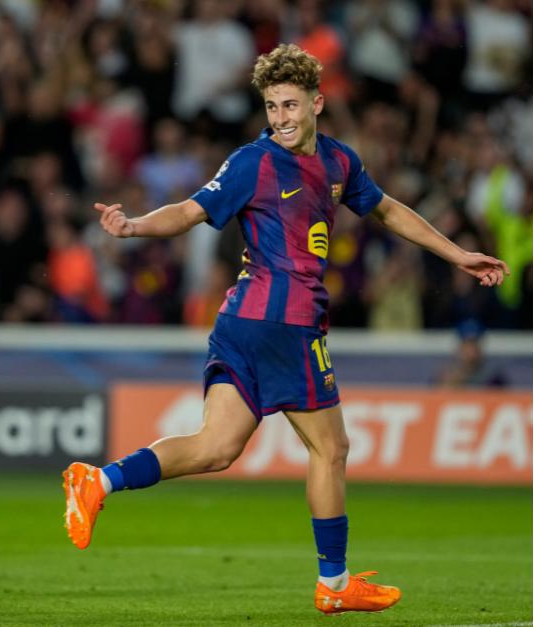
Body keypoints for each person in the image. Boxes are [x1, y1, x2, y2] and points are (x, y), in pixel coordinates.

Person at [62, 43, 509, 616]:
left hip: (242, 322)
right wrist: (133, 228)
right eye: (272, 106)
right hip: (283, 323)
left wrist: (456, 254)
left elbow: (387, 209)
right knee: (331, 448)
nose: (280, 118)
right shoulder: (253, 162)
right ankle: (335, 583)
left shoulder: (340, 161)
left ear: (317, 103)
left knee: (216, 448)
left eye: (290, 105)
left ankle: (98, 482)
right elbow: (191, 210)